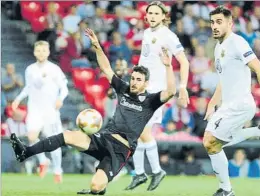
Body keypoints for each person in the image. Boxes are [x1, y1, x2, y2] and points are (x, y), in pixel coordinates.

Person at [10, 28, 176, 195]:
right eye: (133, 78)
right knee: (67, 135)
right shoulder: (123, 89)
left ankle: (99, 189)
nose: (134, 82)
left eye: (138, 80)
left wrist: (168, 66)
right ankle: (26, 152)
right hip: (103, 138)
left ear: (146, 84)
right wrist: (97, 46)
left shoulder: (150, 101)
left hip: (120, 150)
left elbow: (170, 92)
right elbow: (106, 68)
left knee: (95, 187)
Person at [203, 6, 260, 196]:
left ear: (230, 23)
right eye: (212, 22)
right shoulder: (219, 47)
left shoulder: (237, 43)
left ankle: (226, 191)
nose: (215, 26)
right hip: (227, 105)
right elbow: (223, 80)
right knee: (211, 143)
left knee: (211, 141)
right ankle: (258, 131)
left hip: (240, 104)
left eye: (219, 22)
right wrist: (212, 102)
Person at [126, 1, 190, 191]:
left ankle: (154, 171)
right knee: (134, 132)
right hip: (141, 89)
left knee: (142, 132)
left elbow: (184, 62)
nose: (152, 16)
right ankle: (140, 173)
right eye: (149, 13)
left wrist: (183, 86)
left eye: (156, 13)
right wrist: (135, 79)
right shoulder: (146, 33)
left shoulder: (168, 36)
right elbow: (143, 59)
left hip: (156, 91)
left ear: (164, 16)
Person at [11, 41, 68, 183]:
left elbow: (64, 88)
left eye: (43, 50)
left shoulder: (54, 69)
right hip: (34, 109)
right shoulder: (30, 69)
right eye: (38, 50)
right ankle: (43, 161)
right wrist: (18, 99)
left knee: (54, 143)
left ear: (48, 52)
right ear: (34, 52)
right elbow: (28, 87)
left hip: (50, 112)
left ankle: (57, 170)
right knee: (31, 137)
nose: (41, 53)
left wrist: (60, 99)